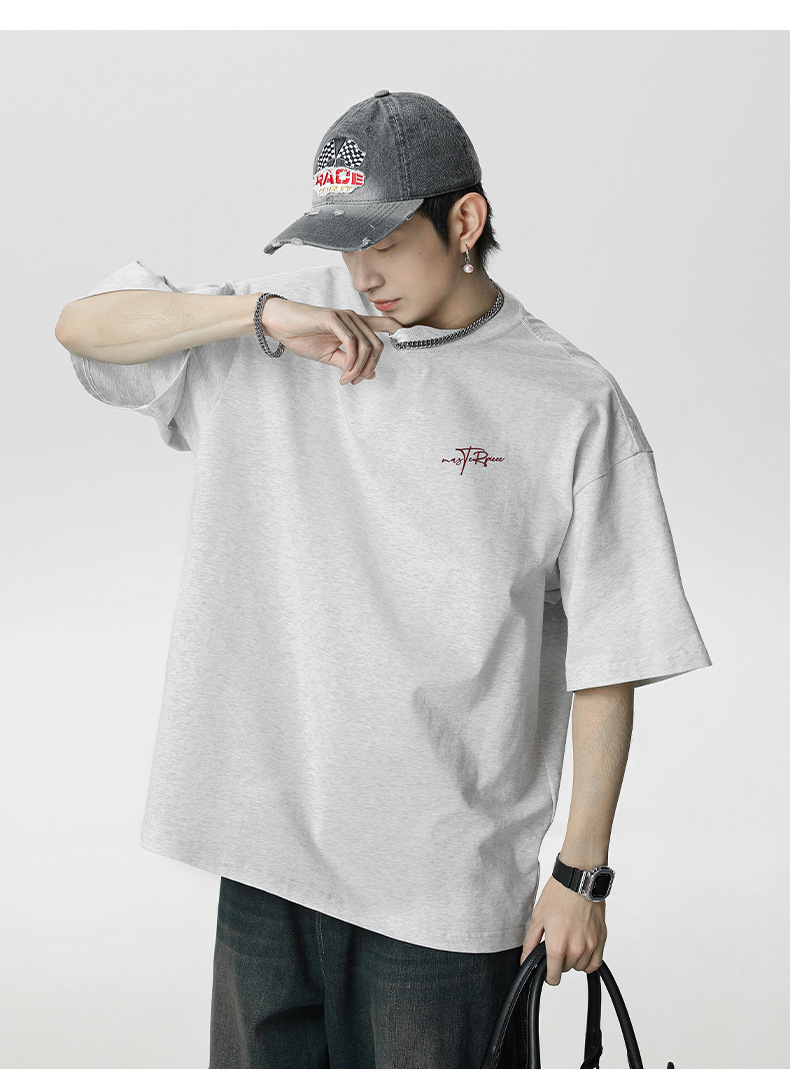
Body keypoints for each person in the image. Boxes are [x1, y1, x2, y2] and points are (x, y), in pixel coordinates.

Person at [54, 90, 712, 1069]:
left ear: (465, 221)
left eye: (388, 243)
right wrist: (262, 312)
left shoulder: (568, 401)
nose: (363, 273)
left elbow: (612, 652)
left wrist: (581, 875)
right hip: (266, 854)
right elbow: (82, 325)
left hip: (442, 885)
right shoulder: (277, 328)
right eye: (343, 244)